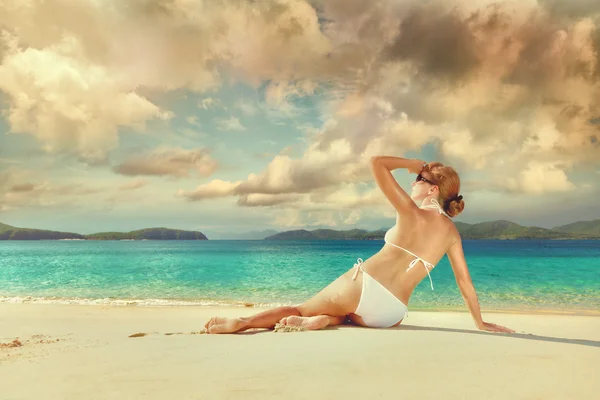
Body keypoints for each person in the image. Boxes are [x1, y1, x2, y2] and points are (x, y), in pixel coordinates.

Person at [204, 156, 515, 334]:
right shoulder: (451, 233)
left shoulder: (410, 211)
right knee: (348, 314)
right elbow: (464, 281)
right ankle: (326, 320)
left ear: (433, 190)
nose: (413, 181)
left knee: (300, 307)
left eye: (419, 179)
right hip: (391, 314)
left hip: (364, 288)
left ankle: (241, 323)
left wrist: (413, 162)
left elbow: (376, 163)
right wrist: (480, 322)